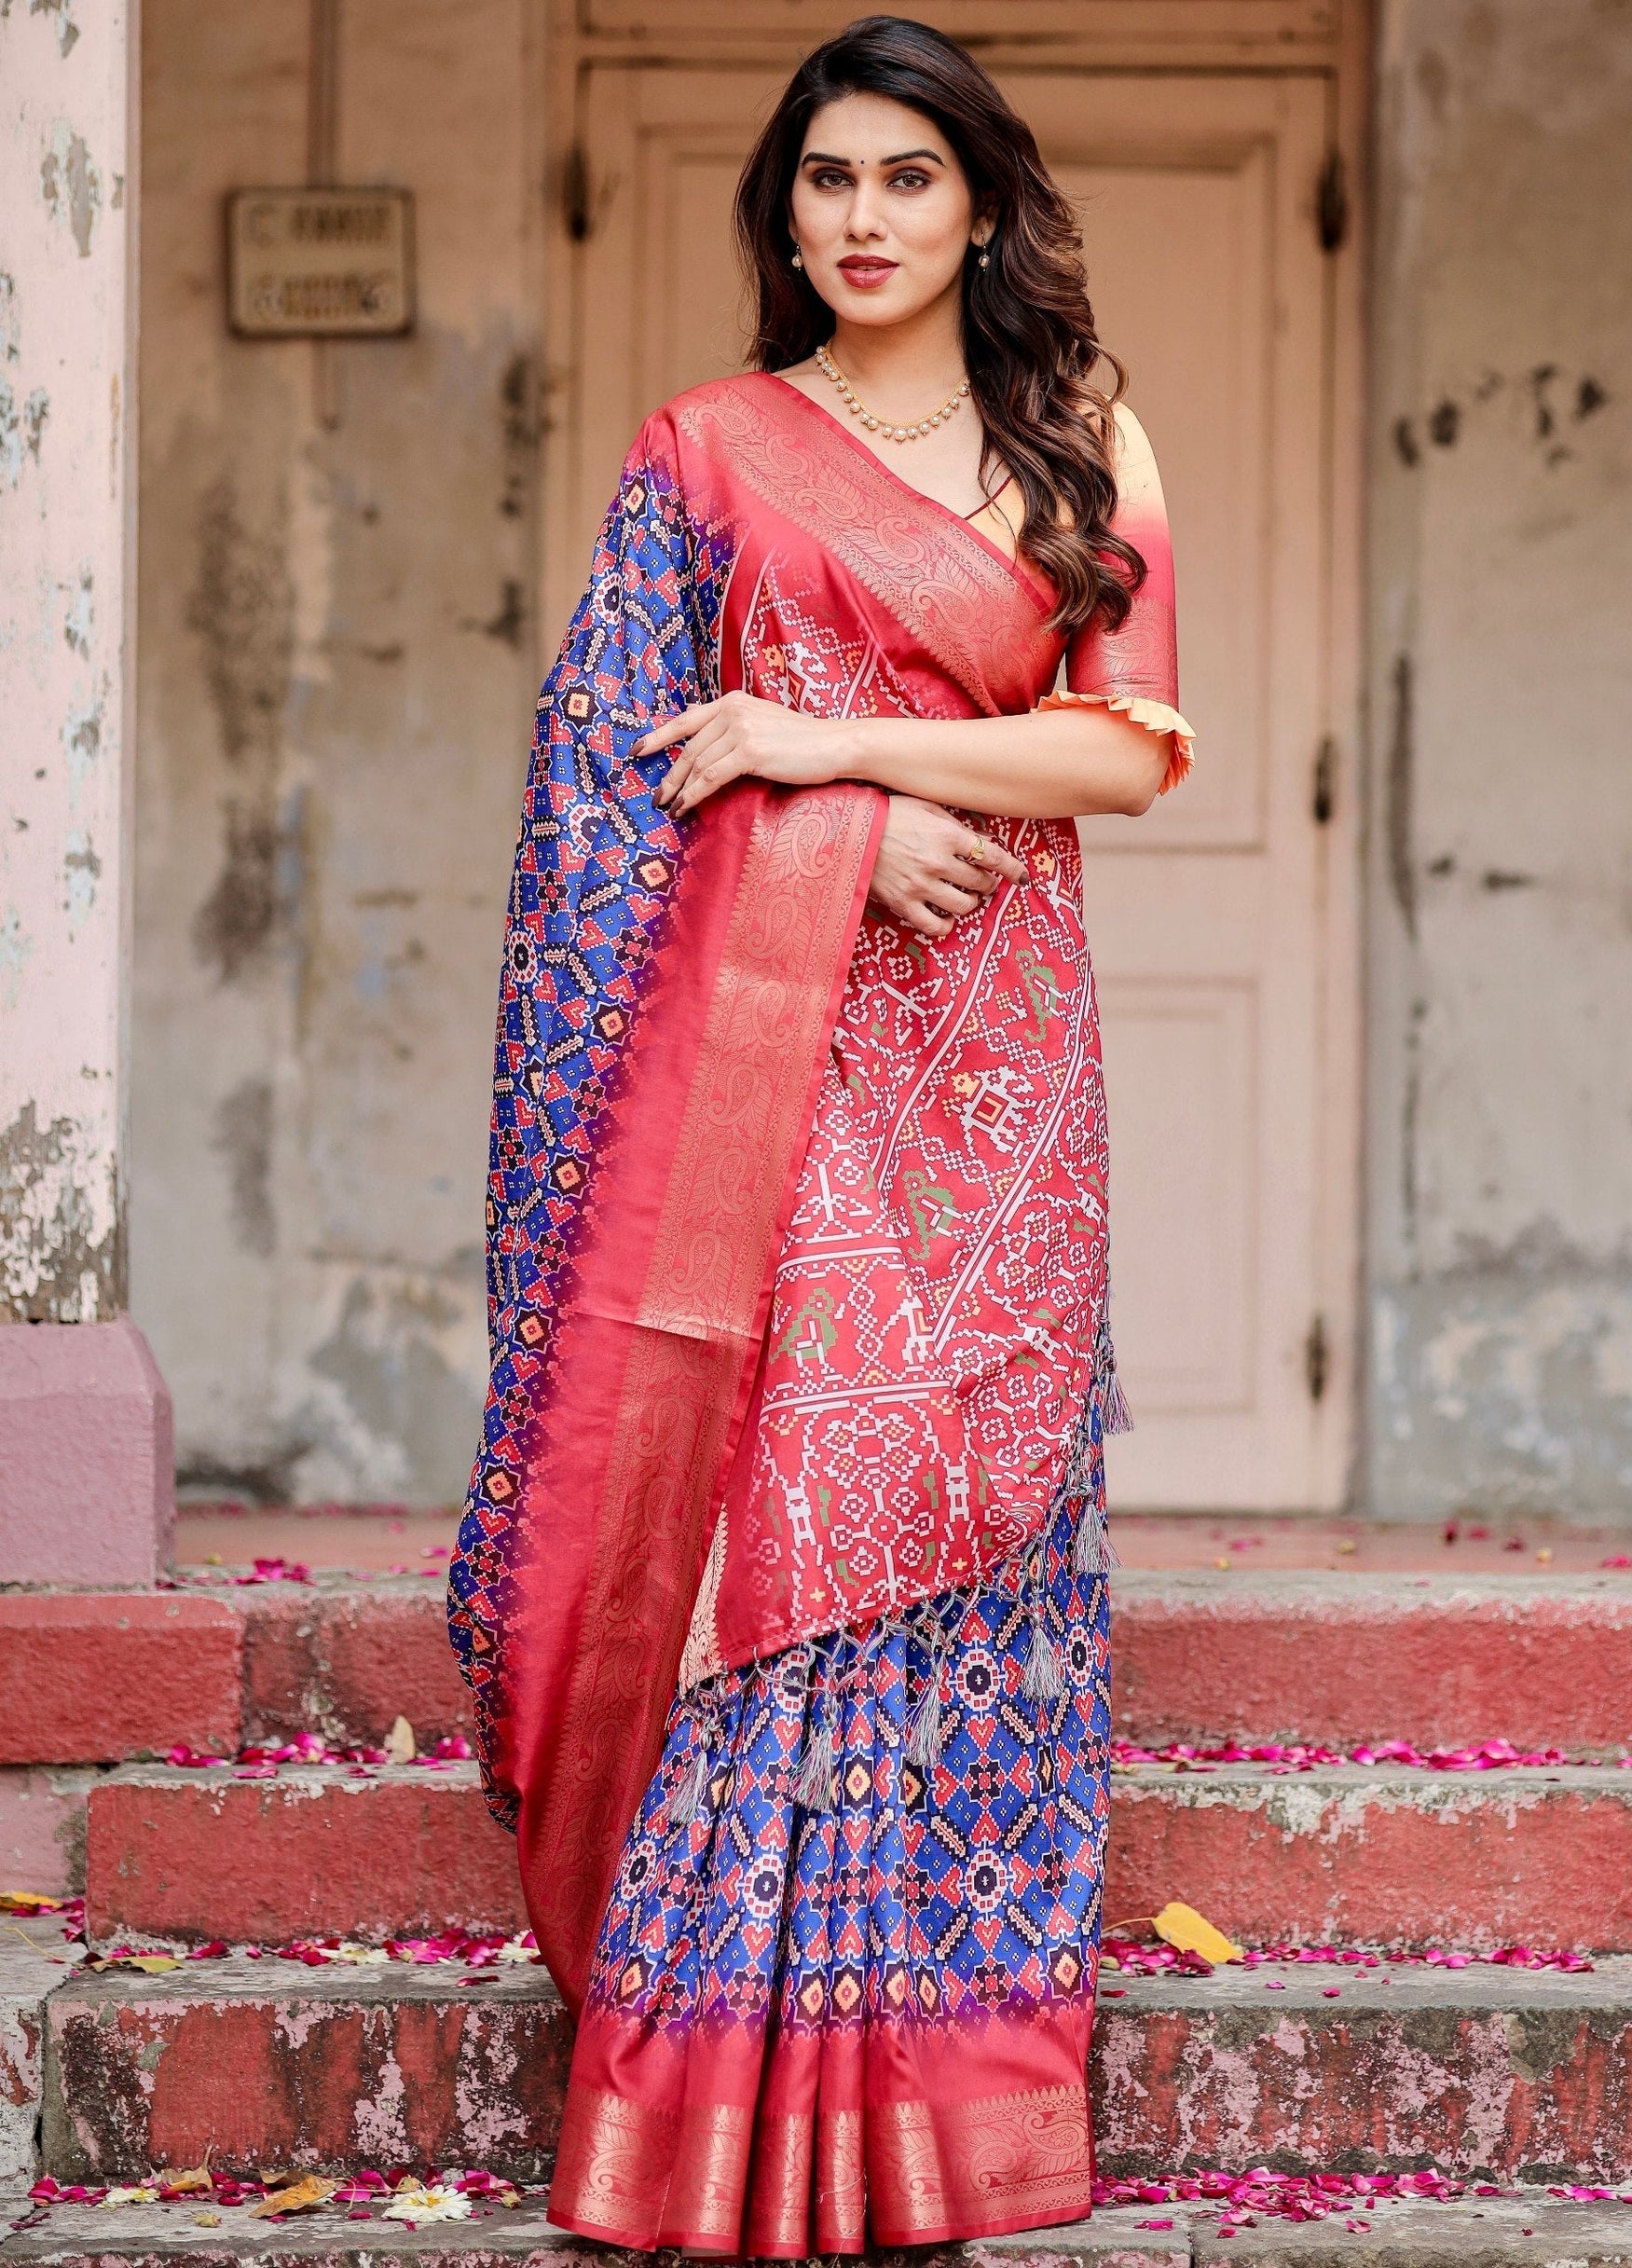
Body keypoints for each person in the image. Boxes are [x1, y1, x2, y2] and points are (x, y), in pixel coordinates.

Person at [447, 14, 1191, 2255]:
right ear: (786, 211)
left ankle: (940, 2115)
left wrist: (834, 746)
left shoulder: (1083, 444)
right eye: (825, 181)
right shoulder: (707, 453)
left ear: (980, 205)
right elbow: (607, 776)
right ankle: (709, 2127)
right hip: (757, 1072)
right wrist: (835, 815)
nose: (859, 220)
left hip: (995, 1058)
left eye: (904, 179)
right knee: (791, 1506)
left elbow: (1137, 748)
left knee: (960, 1490)